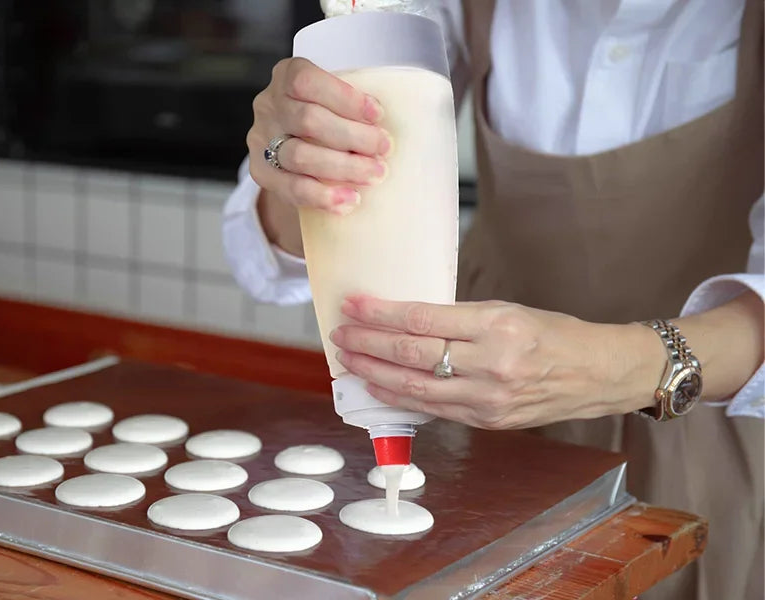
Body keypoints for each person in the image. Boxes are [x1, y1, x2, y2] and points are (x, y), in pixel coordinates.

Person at [221, 2, 764, 599]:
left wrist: (621, 366)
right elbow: (277, 241)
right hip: (473, 409)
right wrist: (296, 161)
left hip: (707, 414)